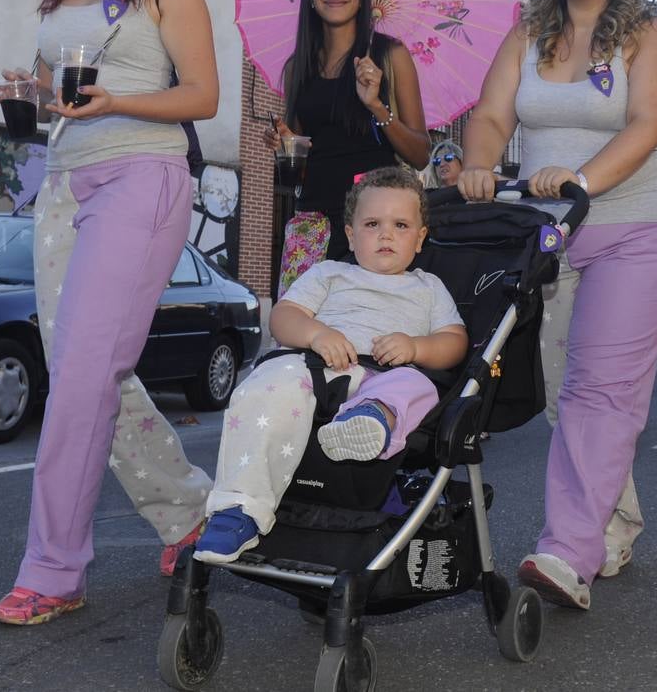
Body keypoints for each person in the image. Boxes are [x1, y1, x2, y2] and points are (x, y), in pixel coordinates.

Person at [0, 0, 221, 624]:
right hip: (64, 181)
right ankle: (190, 510)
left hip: (141, 178)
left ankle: (53, 569)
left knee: (86, 375)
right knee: (87, 372)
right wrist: (31, 90)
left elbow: (205, 95)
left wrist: (118, 102)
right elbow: (62, 86)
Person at [456, 0, 657, 609]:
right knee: (560, 394)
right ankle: (612, 522)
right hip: (546, 231)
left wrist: (584, 179)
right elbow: (493, 115)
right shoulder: (529, 30)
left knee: (601, 391)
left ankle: (566, 552)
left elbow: (652, 122)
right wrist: (478, 164)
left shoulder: (648, 32)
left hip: (637, 225)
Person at [195, 166, 467, 563]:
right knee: (265, 384)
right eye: (372, 224)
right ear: (351, 235)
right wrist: (315, 334)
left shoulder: (428, 288)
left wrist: (417, 346)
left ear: (420, 238)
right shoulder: (329, 274)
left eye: (401, 225)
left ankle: (368, 421)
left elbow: (455, 343)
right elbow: (283, 317)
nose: (386, 234)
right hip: (317, 369)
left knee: (419, 386)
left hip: (384, 377)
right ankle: (237, 508)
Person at [266, 0, 429, 296]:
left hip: (374, 222)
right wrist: (285, 142)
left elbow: (420, 154)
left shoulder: (390, 56)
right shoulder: (298, 67)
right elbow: (301, 160)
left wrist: (376, 106)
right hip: (312, 222)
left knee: (366, 331)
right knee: (300, 326)